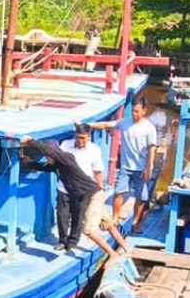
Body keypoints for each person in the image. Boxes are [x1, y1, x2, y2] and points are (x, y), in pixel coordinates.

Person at [19, 137, 129, 268]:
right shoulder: (57, 166)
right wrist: (22, 159)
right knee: (107, 223)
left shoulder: (67, 158)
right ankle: (127, 249)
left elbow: (49, 151)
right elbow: (38, 166)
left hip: (92, 196)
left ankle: (113, 255)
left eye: (47, 156)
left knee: (89, 231)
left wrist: (30, 141)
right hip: (90, 194)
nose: (47, 159)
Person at [88, 99, 158, 233]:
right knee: (119, 192)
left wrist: (149, 168)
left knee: (141, 197)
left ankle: (136, 222)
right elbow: (105, 125)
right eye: (133, 111)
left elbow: (152, 150)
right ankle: (115, 218)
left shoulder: (149, 128)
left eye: (137, 111)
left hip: (141, 169)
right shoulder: (125, 123)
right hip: (126, 167)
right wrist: (87, 125)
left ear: (144, 111)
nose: (134, 114)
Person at [54, 123, 105, 252]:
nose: (80, 141)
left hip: (82, 190)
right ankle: (62, 240)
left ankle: (72, 241)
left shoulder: (95, 150)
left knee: (78, 216)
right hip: (64, 187)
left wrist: (100, 190)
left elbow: (97, 171)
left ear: (89, 137)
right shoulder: (65, 145)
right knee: (61, 214)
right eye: (78, 138)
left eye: (83, 138)